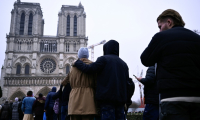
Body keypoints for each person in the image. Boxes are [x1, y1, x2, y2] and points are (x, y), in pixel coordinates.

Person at [140, 9, 200, 120]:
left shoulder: (161, 37)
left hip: (172, 98)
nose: (159, 30)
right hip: (197, 99)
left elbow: (145, 59)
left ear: (169, 22)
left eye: (160, 26)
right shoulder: (197, 38)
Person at [74, 40, 130, 120]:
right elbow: (128, 84)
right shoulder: (124, 64)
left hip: (107, 98)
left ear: (106, 49)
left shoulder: (103, 59)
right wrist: (127, 100)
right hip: (120, 100)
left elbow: (89, 69)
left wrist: (78, 62)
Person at [64, 47, 97, 120]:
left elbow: (64, 82)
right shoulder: (93, 66)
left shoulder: (72, 69)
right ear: (88, 55)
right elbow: (96, 83)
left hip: (74, 100)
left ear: (79, 55)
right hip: (89, 100)